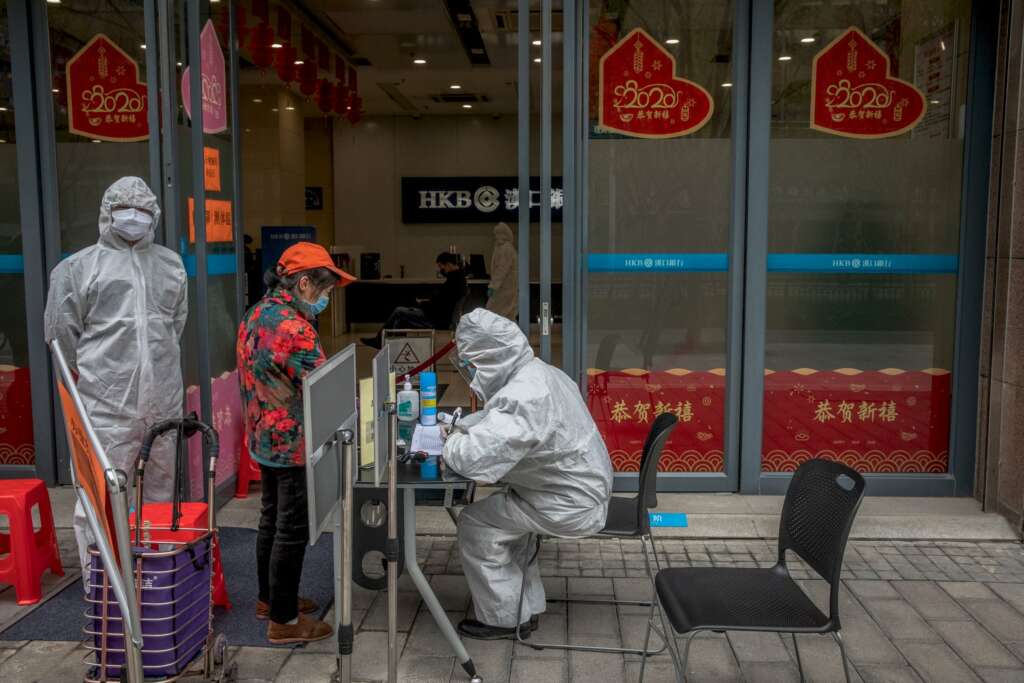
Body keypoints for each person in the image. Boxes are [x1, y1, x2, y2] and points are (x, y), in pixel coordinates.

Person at [44, 176, 187, 572]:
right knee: (100, 494)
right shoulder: (77, 269)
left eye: (142, 211)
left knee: (160, 492)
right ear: (107, 213)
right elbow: (59, 338)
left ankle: (155, 578)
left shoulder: (170, 265)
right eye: (126, 210)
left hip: (163, 399)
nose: (133, 218)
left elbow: (175, 326)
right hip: (106, 403)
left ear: (153, 215)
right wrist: (101, 374)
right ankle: (105, 587)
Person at [442, 309, 613, 640]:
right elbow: (498, 421)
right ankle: (526, 607)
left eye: (472, 364)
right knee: (507, 525)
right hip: (573, 490)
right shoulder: (538, 373)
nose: (472, 374)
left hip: (568, 503)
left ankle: (504, 618)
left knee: (476, 523)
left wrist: (451, 439)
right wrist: (465, 427)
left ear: (491, 357)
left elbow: (473, 461)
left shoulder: (525, 396)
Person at [237, 241, 356, 644]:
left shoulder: (256, 313)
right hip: (291, 443)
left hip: (261, 437)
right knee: (291, 527)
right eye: (322, 292)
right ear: (304, 283)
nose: (324, 299)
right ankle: (284, 622)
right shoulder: (294, 328)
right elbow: (324, 388)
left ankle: (269, 599)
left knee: (270, 519)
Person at [360, 252, 467, 349]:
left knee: (399, 311)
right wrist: (426, 303)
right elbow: (442, 302)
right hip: (440, 316)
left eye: (441, 267)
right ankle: (392, 347)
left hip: (437, 319)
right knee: (401, 319)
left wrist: (422, 304)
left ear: (448, 264)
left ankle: (380, 341)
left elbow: (440, 304)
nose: (441, 270)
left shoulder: (453, 282)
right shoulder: (459, 279)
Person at [485, 222, 518, 320]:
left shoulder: (506, 249)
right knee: (507, 313)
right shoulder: (502, 248)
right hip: (504, 286)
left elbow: (501, 270)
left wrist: (493, 286)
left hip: (505, 287)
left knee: (494, 311)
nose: (495, 237)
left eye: (497, 234)